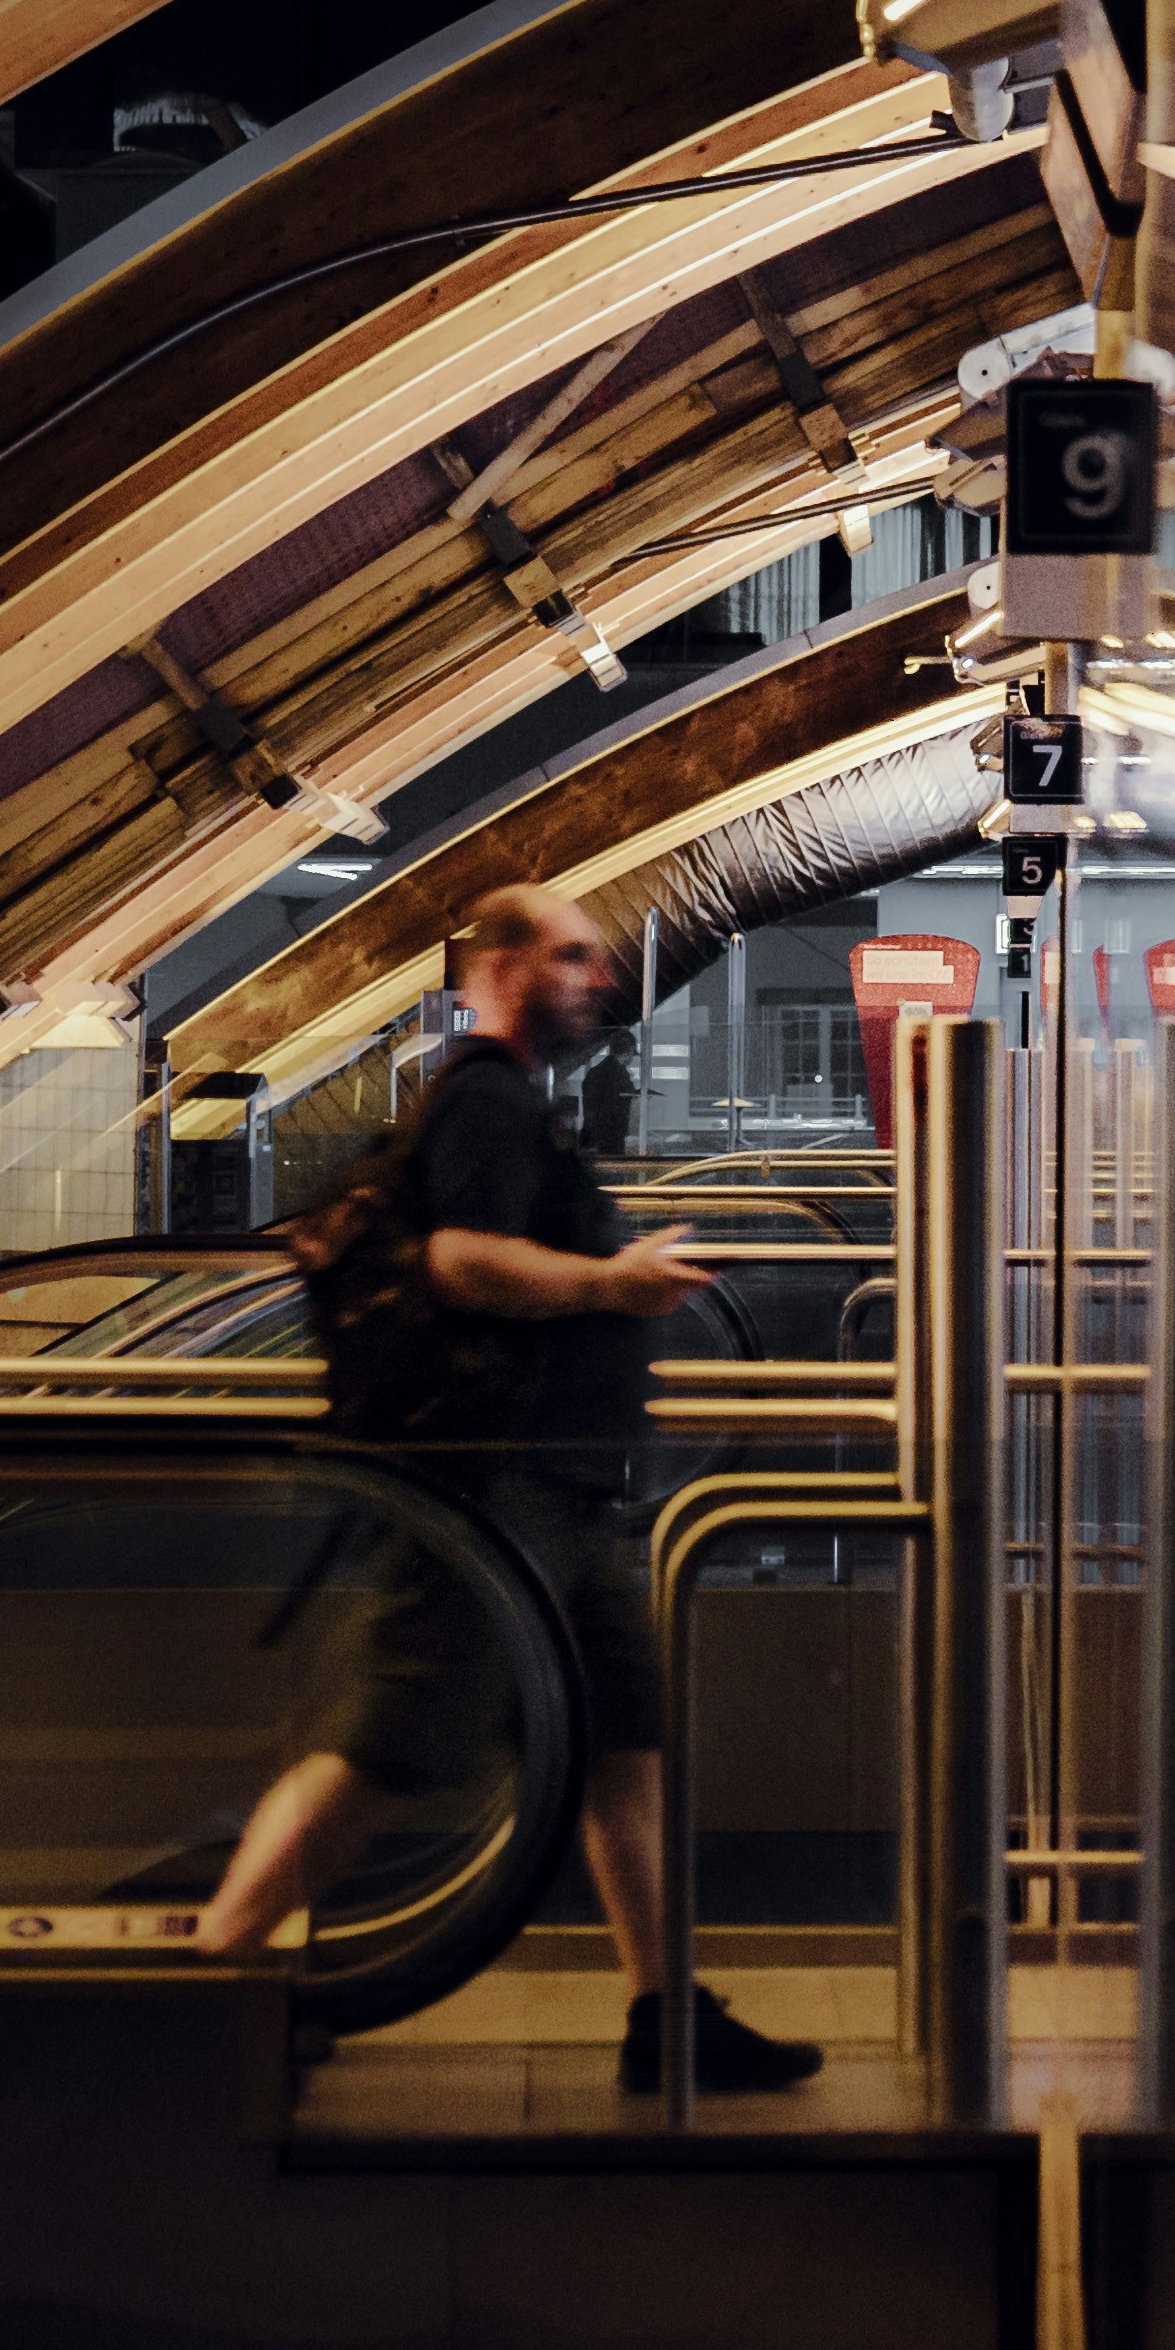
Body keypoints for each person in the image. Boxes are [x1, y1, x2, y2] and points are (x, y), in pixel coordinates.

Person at [204, 882, 824, 2094]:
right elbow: (460, 1259)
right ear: (499, 963)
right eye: (573, 956)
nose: (598, 978)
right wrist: (613, 1283)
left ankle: (663, 2010)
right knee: (390, 1745)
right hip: (492, 1495)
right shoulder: (482, 1099)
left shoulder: (517, 1107)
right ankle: (216, 1975)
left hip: (564, 1493)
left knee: (619, 1739)